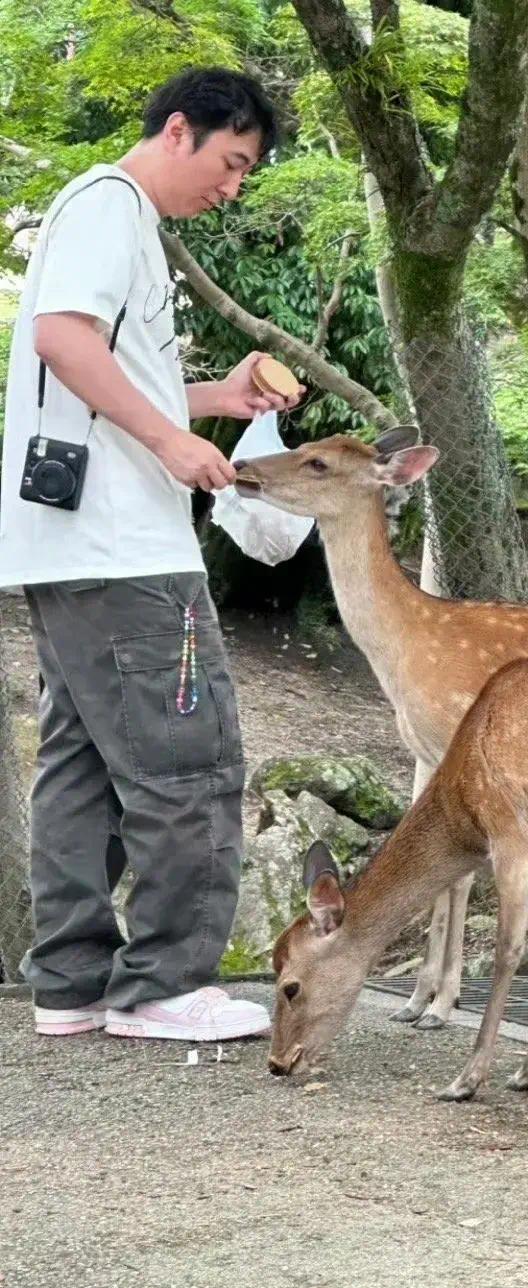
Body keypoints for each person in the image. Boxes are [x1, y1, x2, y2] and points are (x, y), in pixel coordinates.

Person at [0, 68, 304, 1041]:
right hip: (122, 548)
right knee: (190, 755)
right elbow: (60, 339)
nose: (233, 187)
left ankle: (74, 985)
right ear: (179, 130)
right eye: (232, 162)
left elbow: (118, 372)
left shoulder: (113, 216)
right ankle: (163, 984)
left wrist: (219, 400)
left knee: (82, 766)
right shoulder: (109, 206)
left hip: (72, 548)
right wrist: (174, 445)